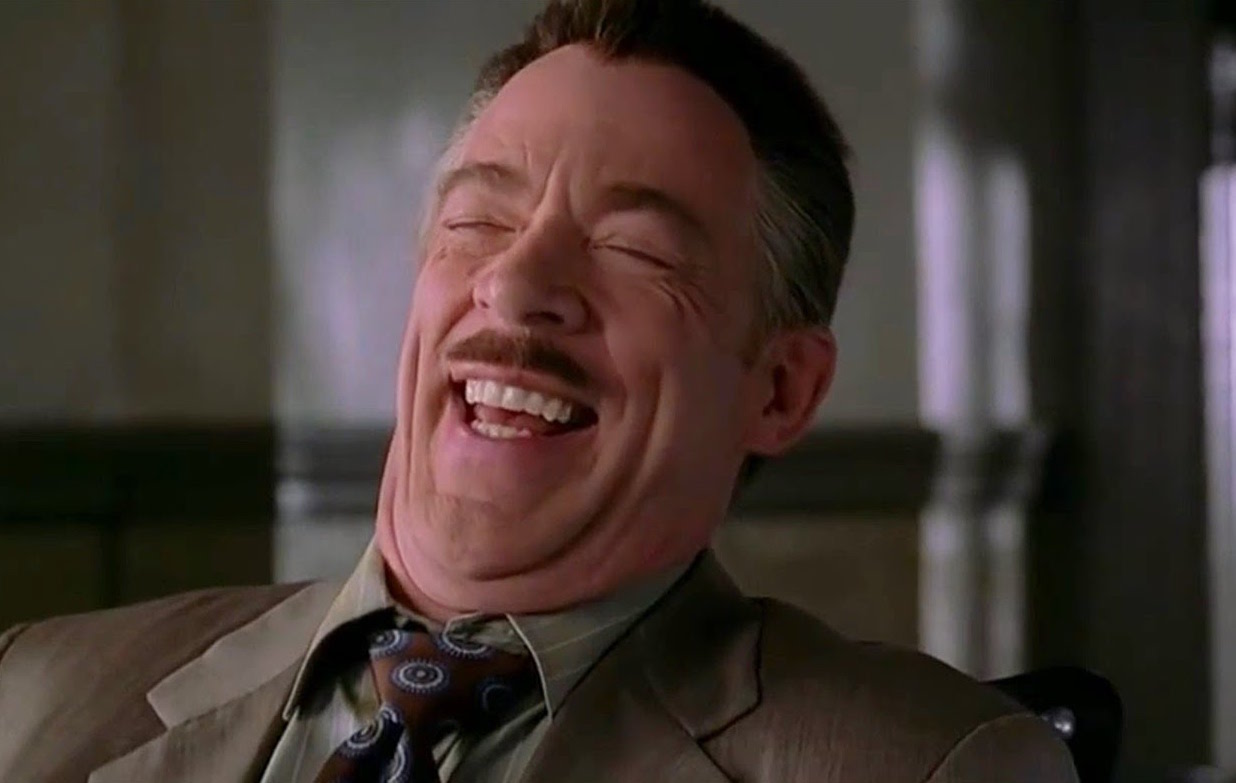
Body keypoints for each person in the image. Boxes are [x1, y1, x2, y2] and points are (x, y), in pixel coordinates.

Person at [0, 1, 1077, 781]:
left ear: (782, 391)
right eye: (479, 221)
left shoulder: (929, 766)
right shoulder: (31, 690)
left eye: (635, 247)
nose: (515, 286)